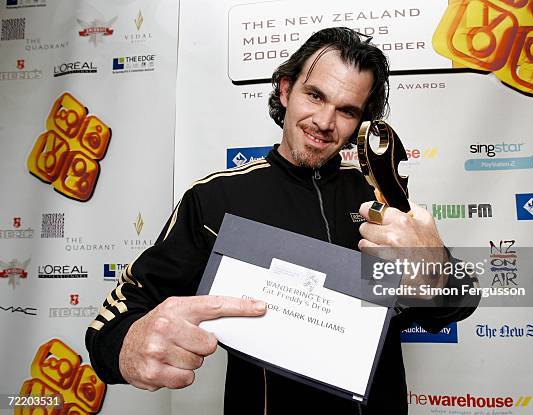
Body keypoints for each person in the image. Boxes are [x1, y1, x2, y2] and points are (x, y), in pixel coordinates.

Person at [86, 27, 477, 414]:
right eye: (315, 95)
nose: (325, 122)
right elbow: (118, 317)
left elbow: (459, 301)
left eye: (346, 110)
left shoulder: (379, 197)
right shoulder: (216, 199)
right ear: (286, 90)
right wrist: (128, 343)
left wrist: (436, 274)